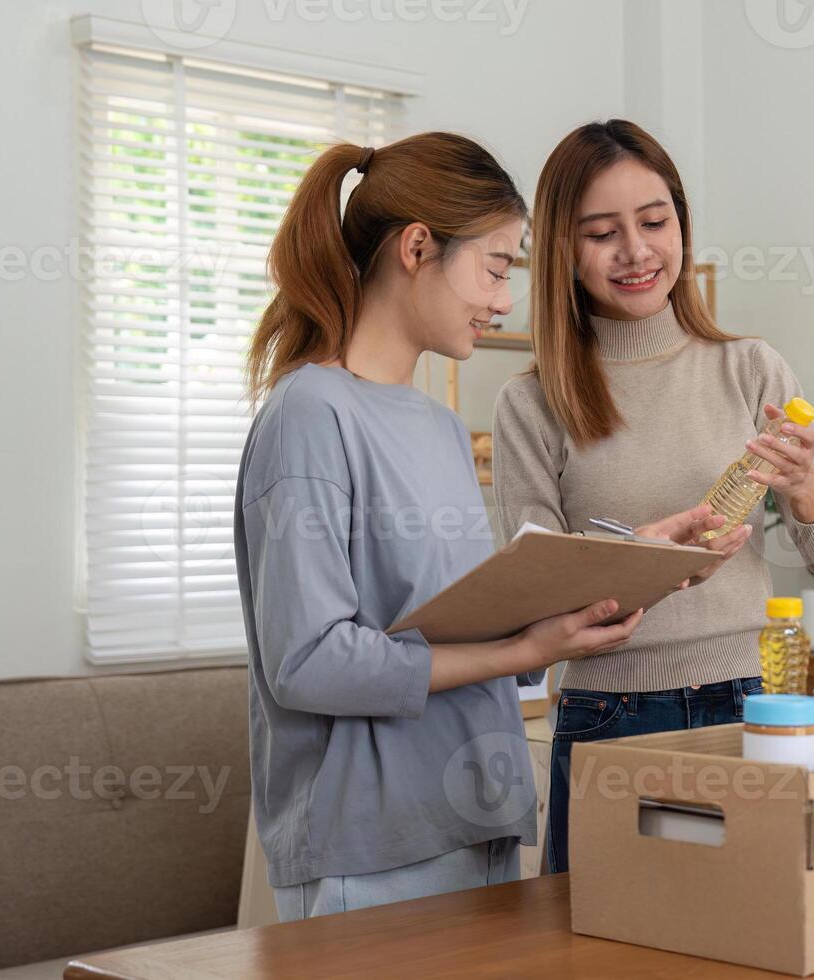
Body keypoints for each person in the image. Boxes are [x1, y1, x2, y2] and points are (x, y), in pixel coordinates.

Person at [234, 133, 690, 919]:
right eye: (496, 266)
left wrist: (612, 570)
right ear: (417, 248)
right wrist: (524, 650)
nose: (505, 298)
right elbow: (310, 663)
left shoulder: (441, 426)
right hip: (369, 845)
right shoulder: (309, 415)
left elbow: (459, 623)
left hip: (481, 823)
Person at [492, 119, 814, 874]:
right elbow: (536, 603)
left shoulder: (753, 369)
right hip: (610, 718)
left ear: (682, 229)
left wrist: (805, 490)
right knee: (602, 944)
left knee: (750, 928)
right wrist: (644, 564)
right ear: (564, 249)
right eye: (602, 232)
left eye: (655, 222)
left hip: (750, 703)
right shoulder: (532, 402)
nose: (636, 251)